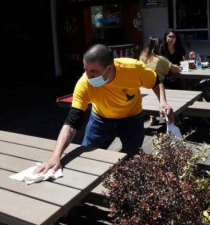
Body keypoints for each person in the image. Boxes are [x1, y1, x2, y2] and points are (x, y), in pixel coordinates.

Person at [35, 44, 174, 174]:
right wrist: (55, 156)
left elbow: (155, 81)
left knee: (132, 161)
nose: (88, 75)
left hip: (132, 119)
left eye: (93, 71)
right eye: (85, 69)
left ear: (109, 68)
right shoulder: (84, 83)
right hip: (100, 121)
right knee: (87, 161)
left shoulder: (133, 69)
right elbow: (72, 122)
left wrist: (163, 101)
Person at [139, 36, 182, 125]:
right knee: (175, 87)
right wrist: (180, 67)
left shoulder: (142, 58)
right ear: (159, 47)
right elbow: (175, 70)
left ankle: (152, 117)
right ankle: (173, 120)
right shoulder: (160, 59)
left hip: (144, 89)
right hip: (159, 89)